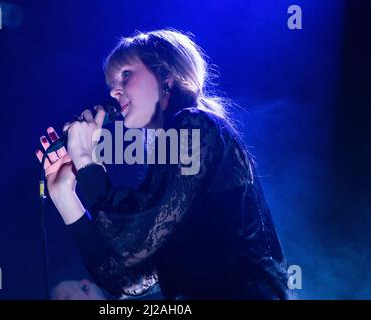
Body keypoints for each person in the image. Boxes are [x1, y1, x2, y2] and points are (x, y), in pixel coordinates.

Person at [35, 29, 296, 300]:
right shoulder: (171, 156)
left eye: (125, 74)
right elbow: (126, 281)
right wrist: (65, 196)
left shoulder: (196, 124)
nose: (113, 91)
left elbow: (127, 241)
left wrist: (87, 161)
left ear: (166, 76)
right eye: (111, 83)